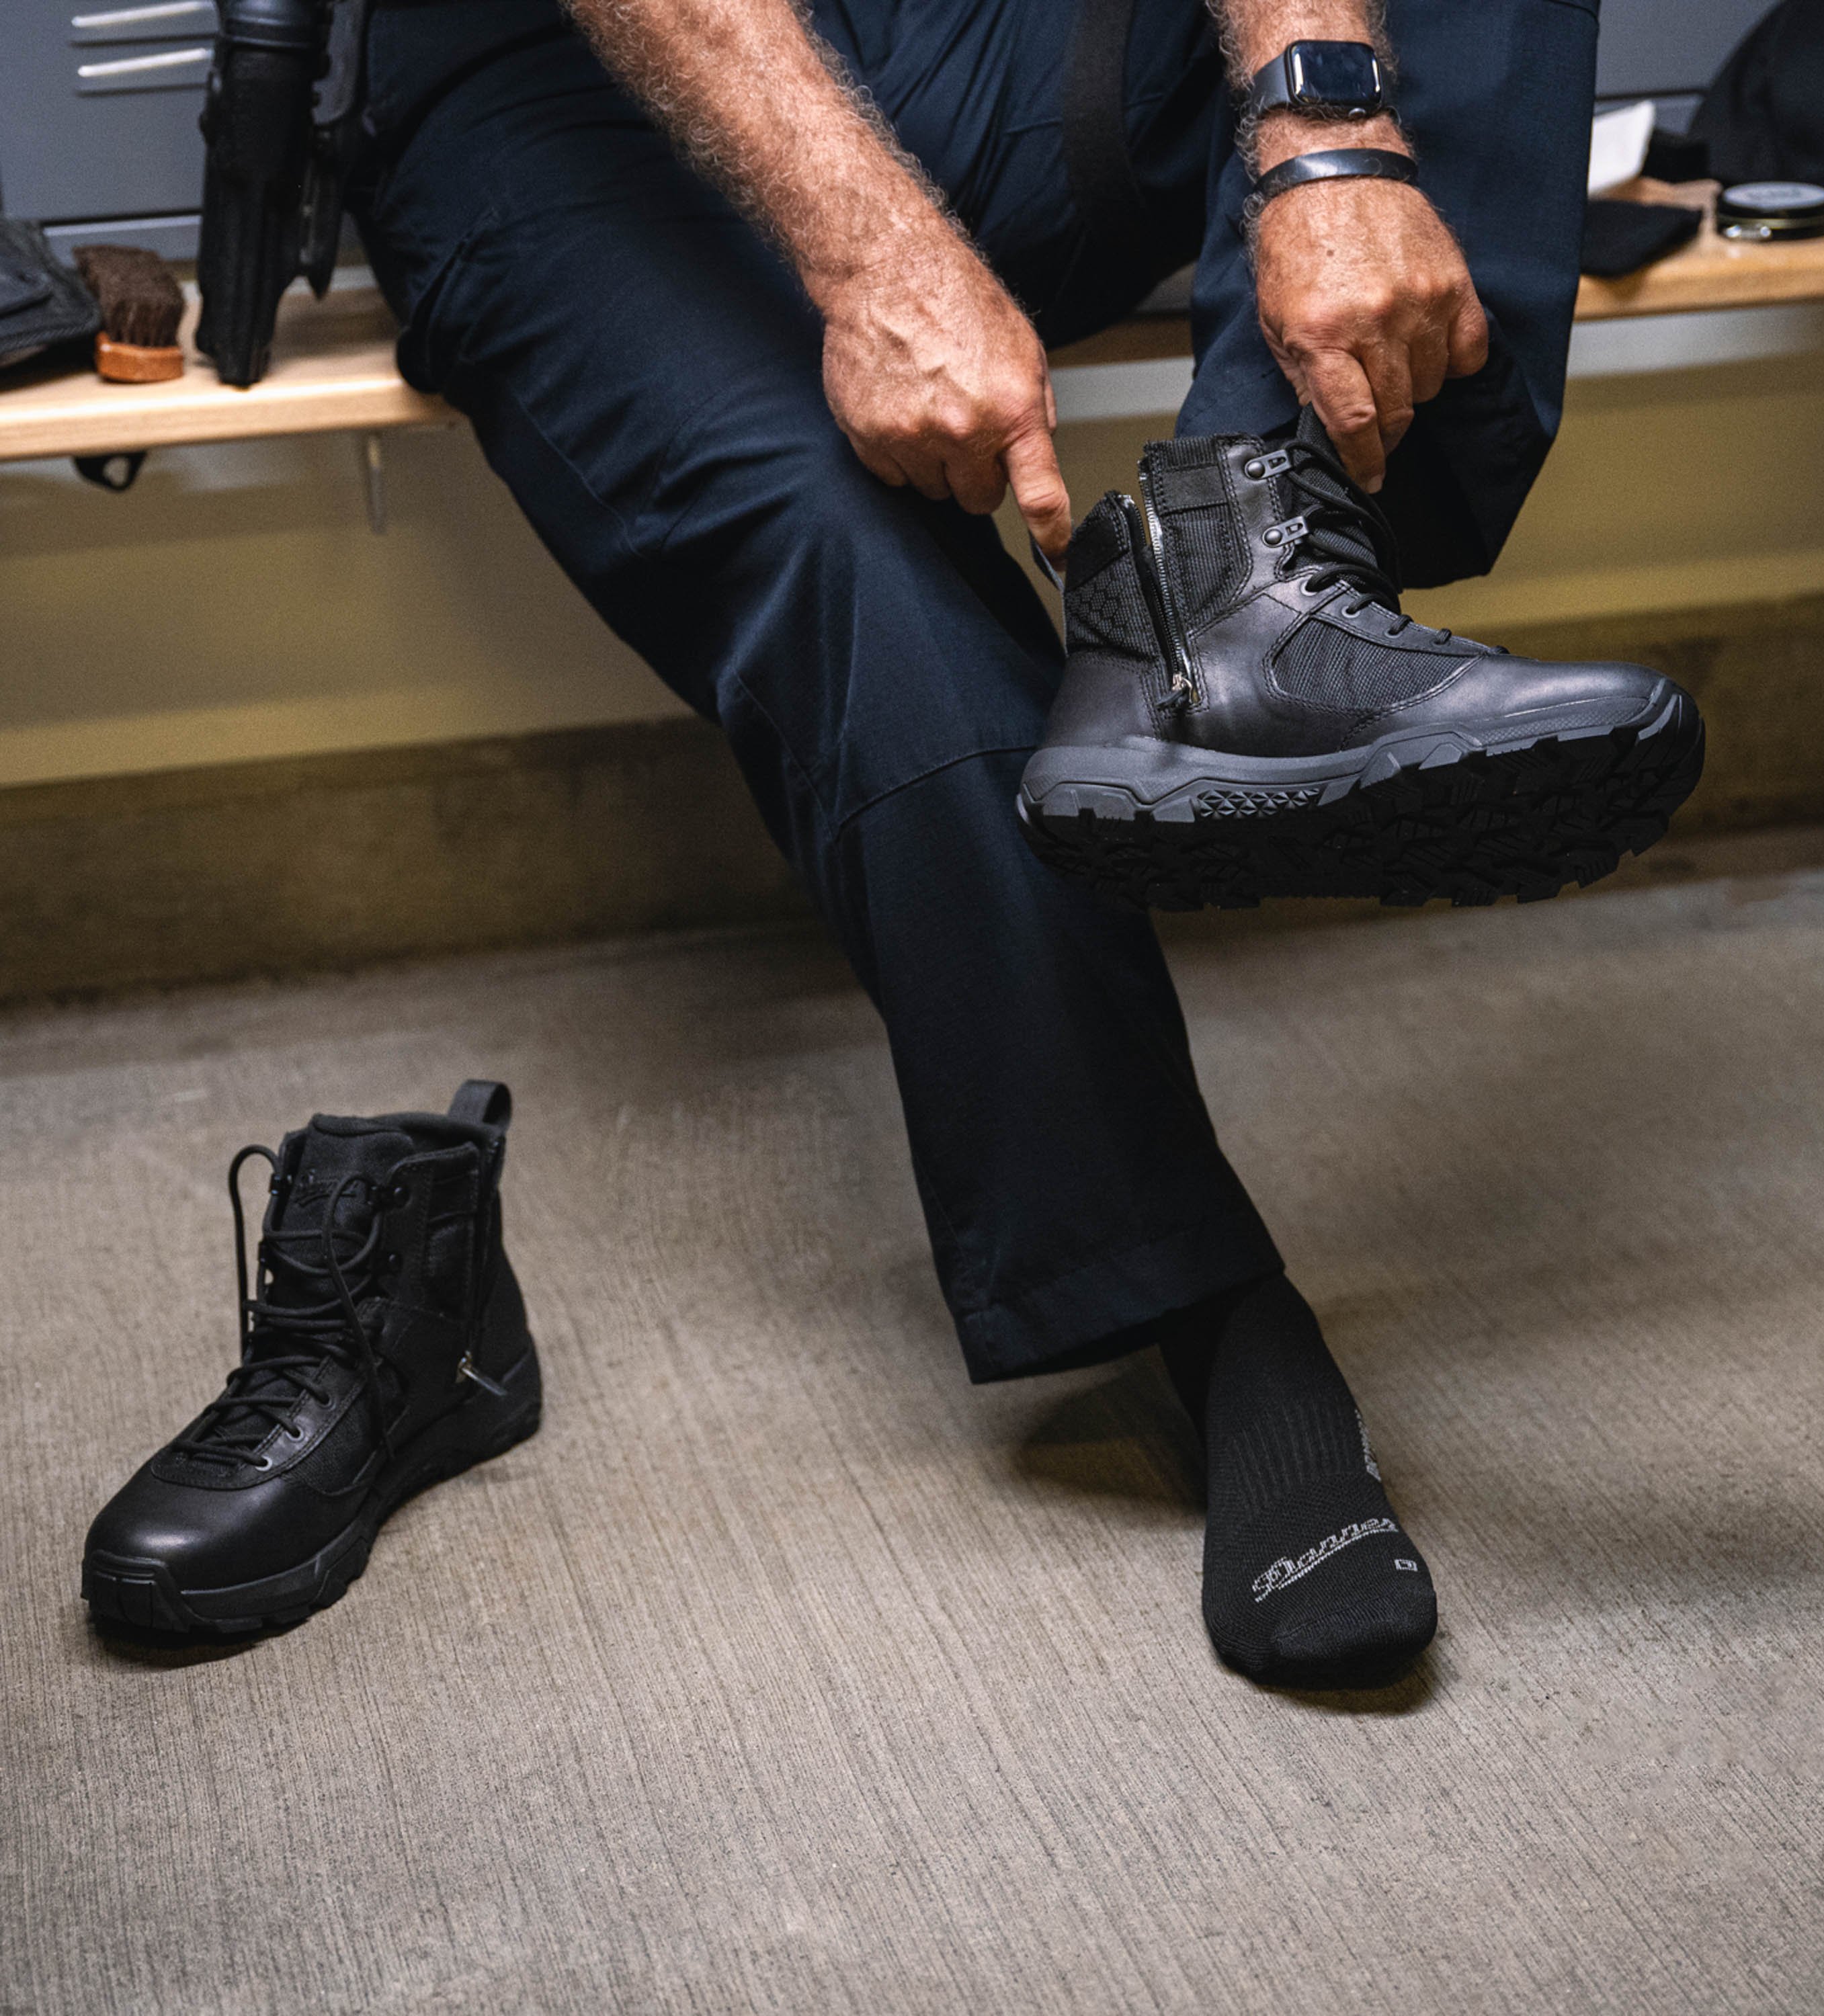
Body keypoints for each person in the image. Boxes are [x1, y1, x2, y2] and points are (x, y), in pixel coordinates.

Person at [88, 0, 1689, 1687]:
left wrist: (1324, 130)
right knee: (840, 545)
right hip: (544, 72)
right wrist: (873, 261)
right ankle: (1206, 1297)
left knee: (1376, 36)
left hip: (965, 31)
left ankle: (1254, 573)